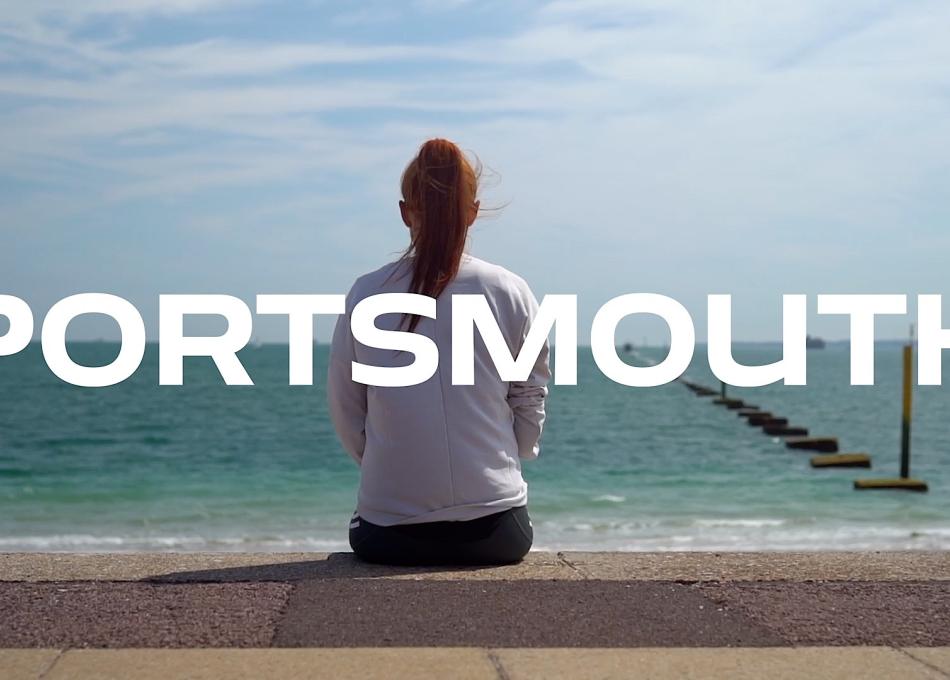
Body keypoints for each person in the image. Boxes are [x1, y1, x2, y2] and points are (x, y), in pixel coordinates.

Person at [327, 138, 550, 566]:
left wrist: (388, 463)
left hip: (390, 536)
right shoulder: (511, 289)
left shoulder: (367, 292)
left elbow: (346, 407)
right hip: (497, 533)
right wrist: (510, 454)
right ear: (473, 211)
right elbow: (529, 395)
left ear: (405, 212)